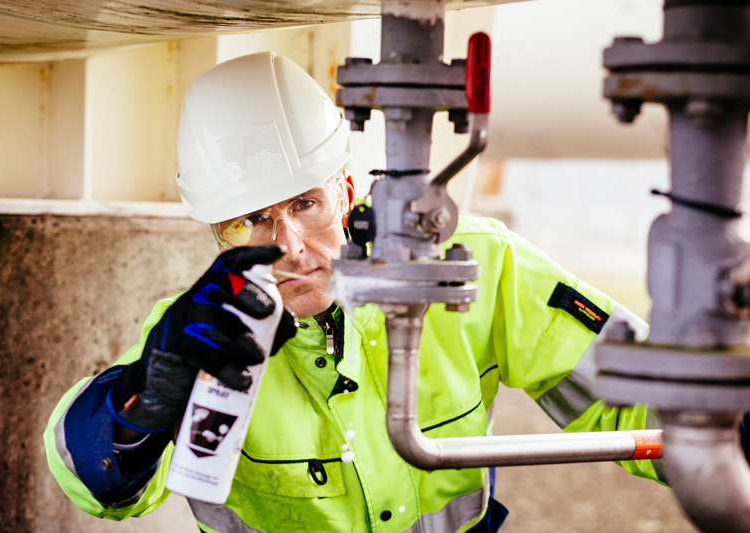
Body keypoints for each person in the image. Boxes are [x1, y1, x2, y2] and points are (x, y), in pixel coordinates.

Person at [44, 51, 660, 532]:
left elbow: (634, 399)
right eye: (250, 220)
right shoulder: (195, 339)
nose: (286, 246)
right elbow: (85, 480)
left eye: (304, 203)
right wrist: (136, 407)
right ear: (218, 232)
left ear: (346, 189)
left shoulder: (474, 265)